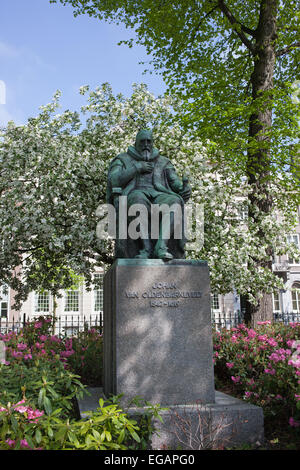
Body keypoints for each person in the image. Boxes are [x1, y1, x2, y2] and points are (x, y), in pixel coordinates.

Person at [106, 129, 191, 260]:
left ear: (152, 143)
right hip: (135, 194)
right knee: (138, 200)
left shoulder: (163, 161)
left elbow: (174, 182)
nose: (146, 144)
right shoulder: (123, 159)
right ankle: (146, 248)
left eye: (149, 141)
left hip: (159, 195)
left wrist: (183, 188)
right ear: (135, 143)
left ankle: (161, 247)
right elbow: (114, 179)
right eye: (142, 141)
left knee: (175, 201)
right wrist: (137, 168)